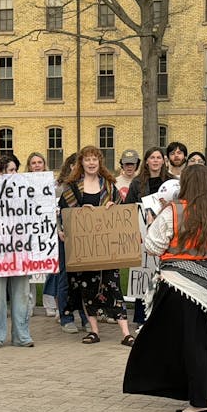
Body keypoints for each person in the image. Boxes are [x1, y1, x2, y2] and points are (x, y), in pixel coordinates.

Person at [123, 163, 207, 412]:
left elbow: (154, 246)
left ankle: (198, 404)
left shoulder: (175, 212)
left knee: (194, 344)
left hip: (183, 285)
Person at [59, 145, 134, 346]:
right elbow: (63, 214)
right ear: (81, 163)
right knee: (88, 289)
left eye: (95, 159)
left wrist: (112, 206)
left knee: (114, 287)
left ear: (100, 162)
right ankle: (93, 330)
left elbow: (122, 213)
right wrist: (80, 213)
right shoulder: (72, 187)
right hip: (85, 249)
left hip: (108, 248)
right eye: (87, 159)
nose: (91, 163)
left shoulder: (109, 185)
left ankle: (126, 333)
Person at [0, 156, 34, 348]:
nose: (14, 174)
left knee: (22, 295)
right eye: (10, 170)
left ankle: (22, 335)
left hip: (20, 251)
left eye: (15, 170)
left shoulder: (25, 192)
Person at [123, 147, 174, 328]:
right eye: (152, 157)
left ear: (163, 161)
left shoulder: (172, 182)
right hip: (143, 236)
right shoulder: (137, 183)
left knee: (165, 277)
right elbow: (128, 208)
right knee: (143, 276)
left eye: (158, 157)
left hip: (166, 234)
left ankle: (163, 318)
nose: (155, 161)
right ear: (146, 161)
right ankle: (141, 318)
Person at [53, 153, 89, 334]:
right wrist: (59, 229)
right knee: (66, 278)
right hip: (65, 237)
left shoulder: (90, 184)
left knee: (85, 278)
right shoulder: (61, 188)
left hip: (85, 238)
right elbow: (53, 211)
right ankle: (66, 317)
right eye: (76, 165)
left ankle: (85, 316)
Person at [26, 152, 57, 317]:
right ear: (29, 167)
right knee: (30, 270)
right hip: (30, 231)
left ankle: (50, 304)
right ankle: (29, 304)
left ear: (44, 165)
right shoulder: (22, 183)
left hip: (47, 230)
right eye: (33, 163)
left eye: (39, 162)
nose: (37, 165)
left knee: (50, 269)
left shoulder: (53, 183)